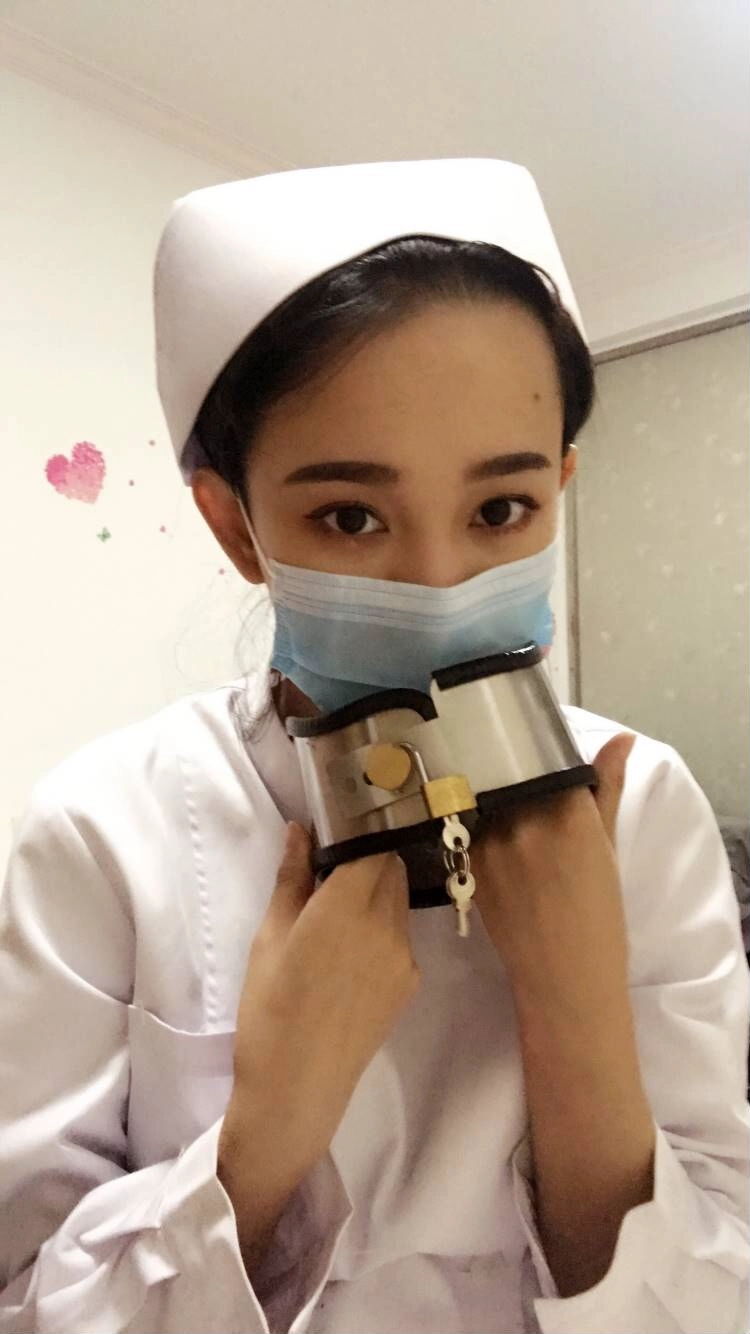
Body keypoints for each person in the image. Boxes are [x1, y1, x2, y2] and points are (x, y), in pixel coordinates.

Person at [1, 159, 748, 1334]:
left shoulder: (642, 804)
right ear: (236, 526)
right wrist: (270, 1123)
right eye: (350, 515)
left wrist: (580, 1016)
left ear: (559, 488)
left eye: (500, 508)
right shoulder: (103, 828)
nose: (441, 584)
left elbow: (721, 1297)